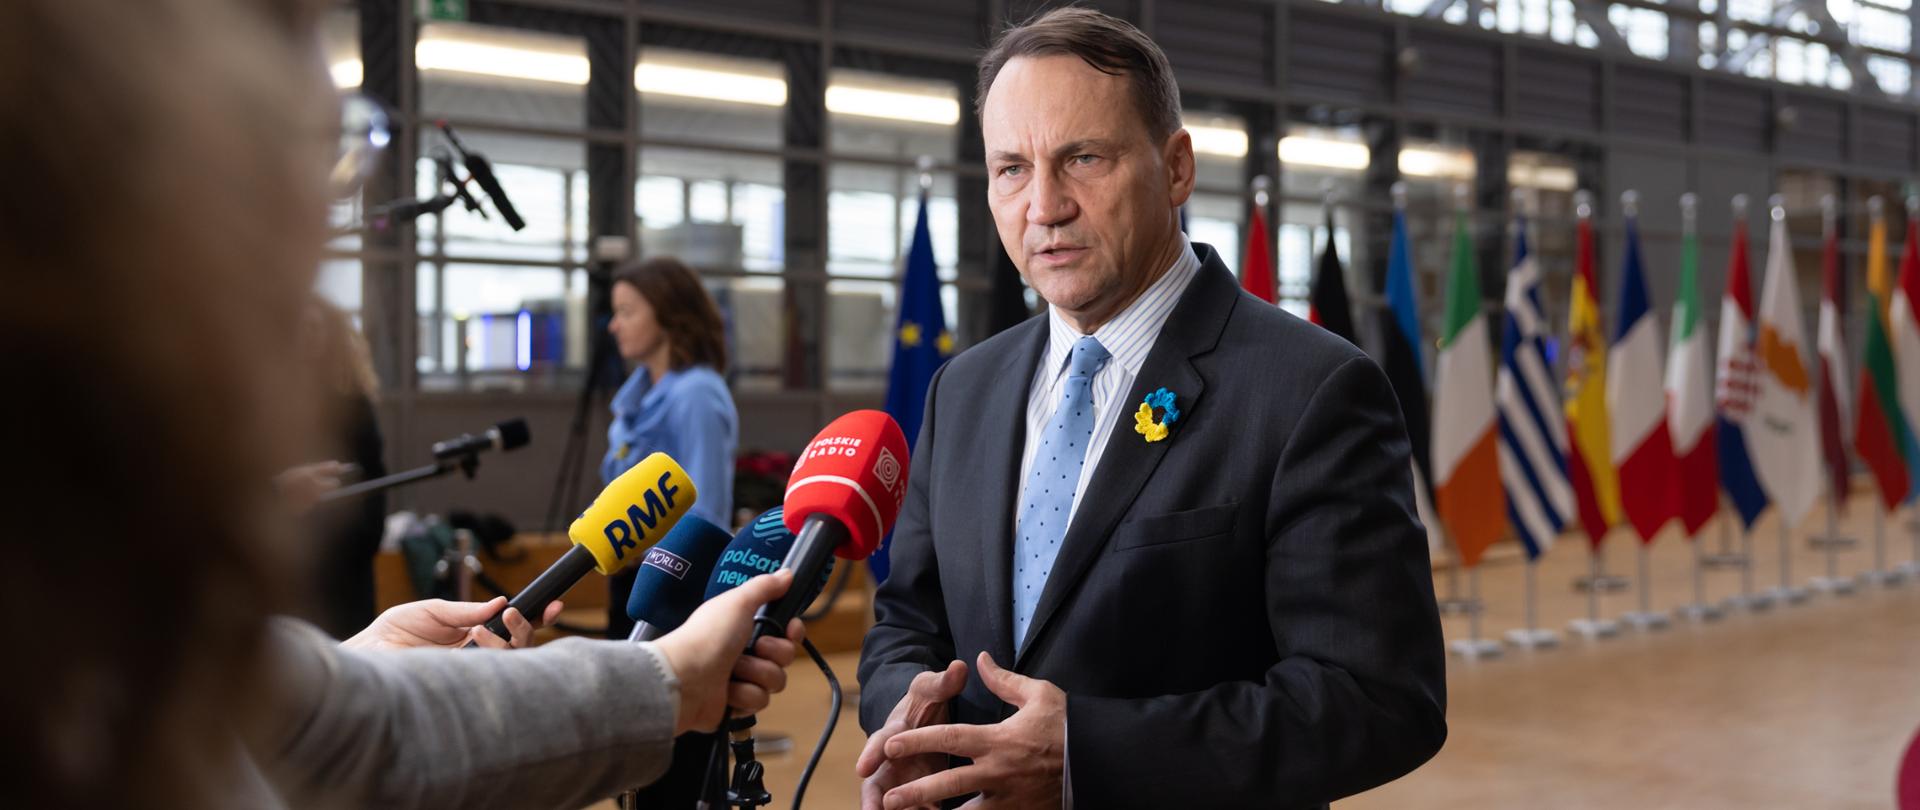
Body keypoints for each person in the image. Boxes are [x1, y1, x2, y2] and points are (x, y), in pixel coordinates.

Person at [0, 0, 800, 806]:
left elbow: (329, 726)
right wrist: (659, 683)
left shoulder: (123, 620)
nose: (315, 228)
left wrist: (366, 660)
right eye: (304, 153)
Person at [855, 8, 1447, 809]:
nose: (1045, 206)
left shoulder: (1312, 390)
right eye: (1011, 169)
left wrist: (1083, 758)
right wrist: (912, 720)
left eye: (1084, 158)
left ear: (1175, 169)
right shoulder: (963, 389)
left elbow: (1379, 699)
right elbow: (903, 621)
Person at [601, 256, 738, 639]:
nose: (614, 325)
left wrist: (644, 554)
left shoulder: (697, 393)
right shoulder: (637, 396)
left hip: (671, 583)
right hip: (631, 577)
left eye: (626, 312)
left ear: (667, 311)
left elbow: (706, 509)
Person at [297, 297, 390, 638]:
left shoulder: (352, 400)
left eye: (314, 328)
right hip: (295, 551)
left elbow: (374, 472)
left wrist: (365, 537)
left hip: (345, 554)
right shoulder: (271, 398)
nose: (305, 336)